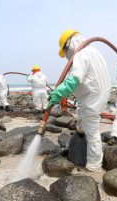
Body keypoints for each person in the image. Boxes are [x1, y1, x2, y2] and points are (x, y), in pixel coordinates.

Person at [47, 30, 111, 172]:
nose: (66, 55)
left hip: (92, 97)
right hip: (97, 94)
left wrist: (59, 92)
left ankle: (94, 166)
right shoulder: (94, 51)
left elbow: (74, 79)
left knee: (92, 132)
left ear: (70, 44)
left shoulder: (81, 55)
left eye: (65, 50)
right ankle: (81, 131)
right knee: (82, 115)